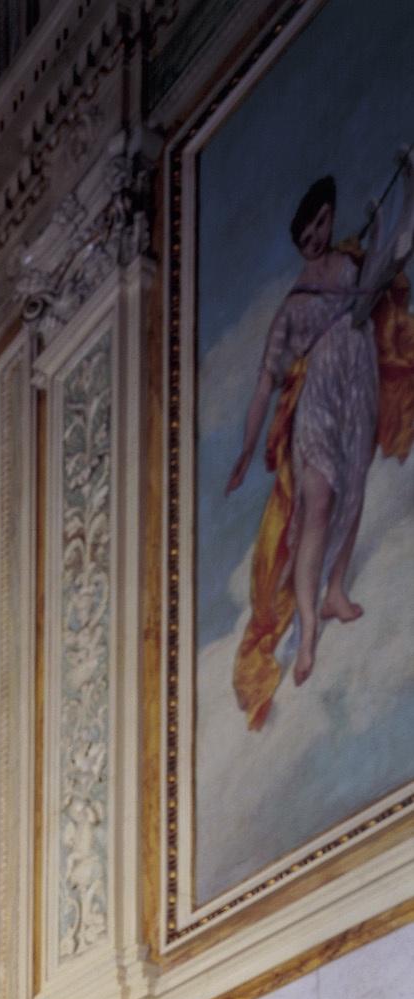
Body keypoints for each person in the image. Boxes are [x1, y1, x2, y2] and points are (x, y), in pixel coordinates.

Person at [227, 175, 414, 720]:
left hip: (358, 379)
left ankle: (334, 589)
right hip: (316, 399)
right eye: (304, 229)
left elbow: (395, 258)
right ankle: (308, 629)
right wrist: (246, 450)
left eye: (320, 222)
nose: (314, 234)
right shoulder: (291, 308)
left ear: (330, 219)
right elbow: (266, 382)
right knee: (319, 501)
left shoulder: (351, 267)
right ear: (297, 238)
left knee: (352, 486)